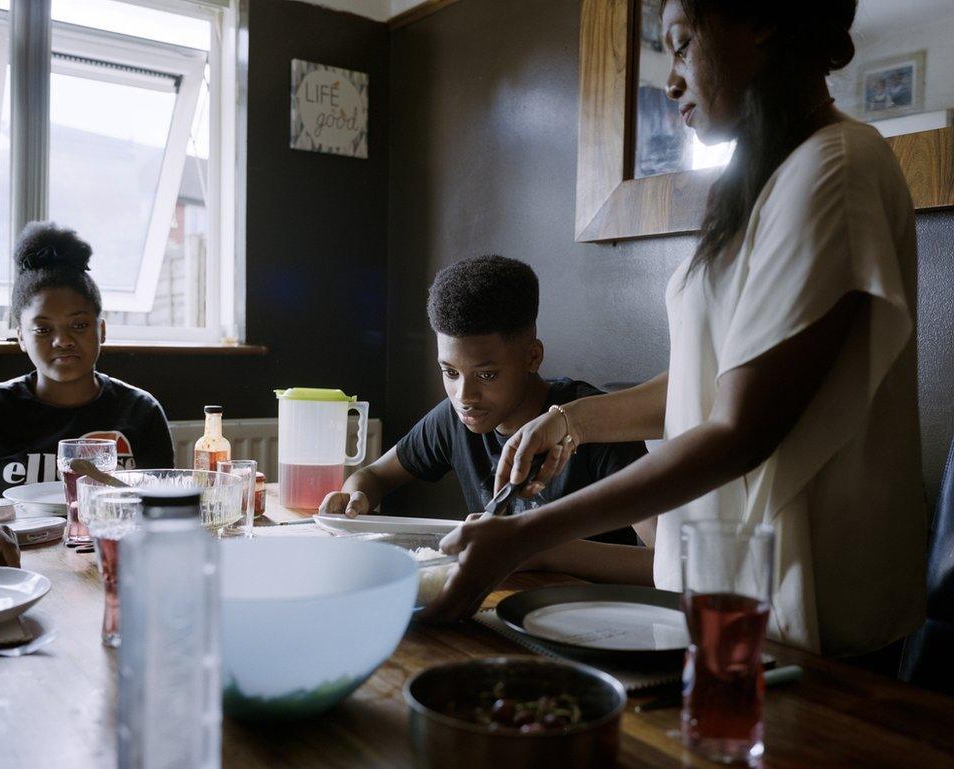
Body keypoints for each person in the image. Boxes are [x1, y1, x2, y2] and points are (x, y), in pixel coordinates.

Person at [424, 0, 927, 666]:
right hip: (730, 599)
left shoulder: (836, 168)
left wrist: (524, 535)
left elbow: (739, 428)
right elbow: (708, 384)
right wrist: (567, 421)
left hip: (811, 613)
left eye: (683, 44)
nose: (671, 80)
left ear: (763, 20)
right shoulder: (762, 184)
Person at [320, 255, 655, 584]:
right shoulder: (453, 419)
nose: (464, 396)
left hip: (594, 622)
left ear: (532, 357)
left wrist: (544, 549)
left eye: (487, 375)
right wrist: (355, 497)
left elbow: (664, 563)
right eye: (450, 372)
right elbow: (374, 476)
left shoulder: (593, 421)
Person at [0, 222, 175, 500]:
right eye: (43, 329)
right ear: (21, 337)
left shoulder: (140, 411)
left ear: (102, 330)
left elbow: (159, 507)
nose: (63, 341)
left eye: (79, 325)